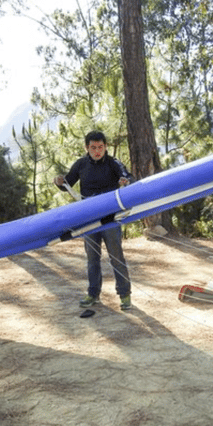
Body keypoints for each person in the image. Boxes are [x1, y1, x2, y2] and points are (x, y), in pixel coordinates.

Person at [54, 131, 134, 311]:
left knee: (116, 256)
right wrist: (59, 182)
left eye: (100, 147)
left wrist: (125, 180)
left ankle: (125, 295)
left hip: (110, 218)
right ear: (87, 148)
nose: (97, 151)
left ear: (105, 147)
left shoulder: (114, 163)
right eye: (93, 148)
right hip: (88, 218)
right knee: (92, 259)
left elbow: (128, 176)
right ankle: (93, 294)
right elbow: (67, 183)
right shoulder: (81, 164)